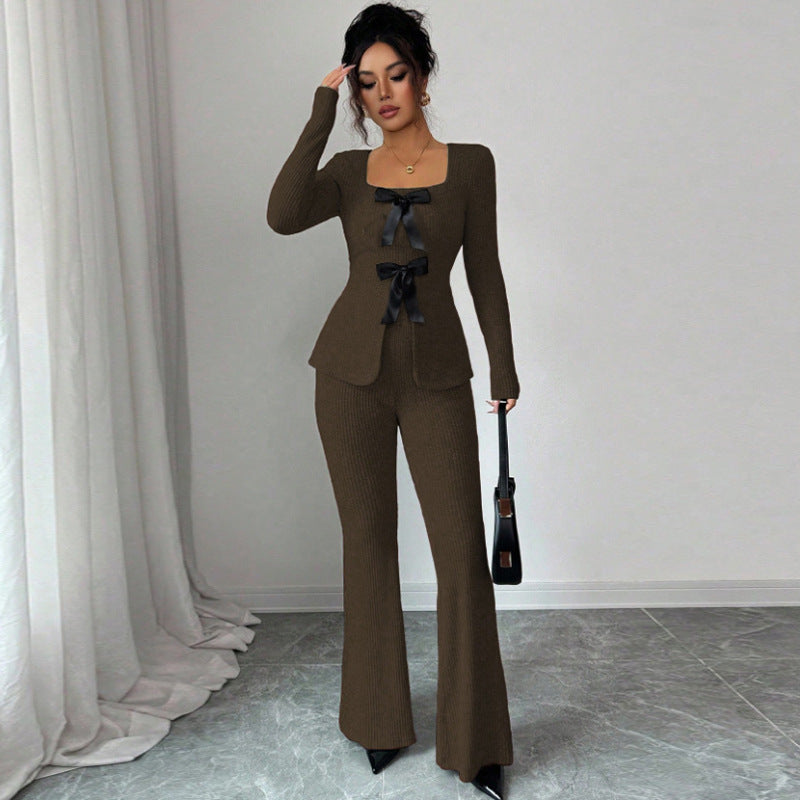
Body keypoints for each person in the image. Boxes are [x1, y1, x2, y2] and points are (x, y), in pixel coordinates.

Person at [266, 4, 520, 798]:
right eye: (367, 82)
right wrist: (319, 111)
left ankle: (476, 743)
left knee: (460, 555)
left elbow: (485, 271)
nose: (383, 94)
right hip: (348, 378)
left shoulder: (471, 165)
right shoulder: (347, 173)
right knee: (368, 548)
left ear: (423, 76)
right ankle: (377, 720)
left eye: (396, 75)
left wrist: (504, 368)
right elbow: (281, 215)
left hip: (437, 377)